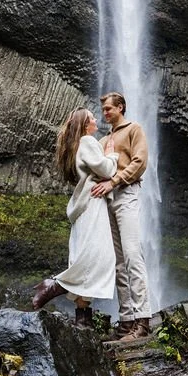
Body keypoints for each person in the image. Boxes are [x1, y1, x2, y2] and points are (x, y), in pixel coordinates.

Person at [31, 107, 118, 327]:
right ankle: (54, 285)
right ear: (84, 124)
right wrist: (112, 153)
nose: (96, 119)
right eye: (91, 117)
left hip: (83, 209)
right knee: (98, 259)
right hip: (92, 206)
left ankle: (83, 318)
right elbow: (106, 170)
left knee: (83, 258)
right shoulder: (88, 141)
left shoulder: (74, 146)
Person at [90, 92, 151, 341]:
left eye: (108, 109)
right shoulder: (103, 140)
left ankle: (143, 320)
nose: (105, 113)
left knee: (132, 255)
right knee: (117, 262)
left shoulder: (134, 129)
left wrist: (115, 180)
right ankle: (126, 321)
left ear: (121, 107)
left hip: (126, 194)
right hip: (108, 200)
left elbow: (140, 162)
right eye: (102, 110)